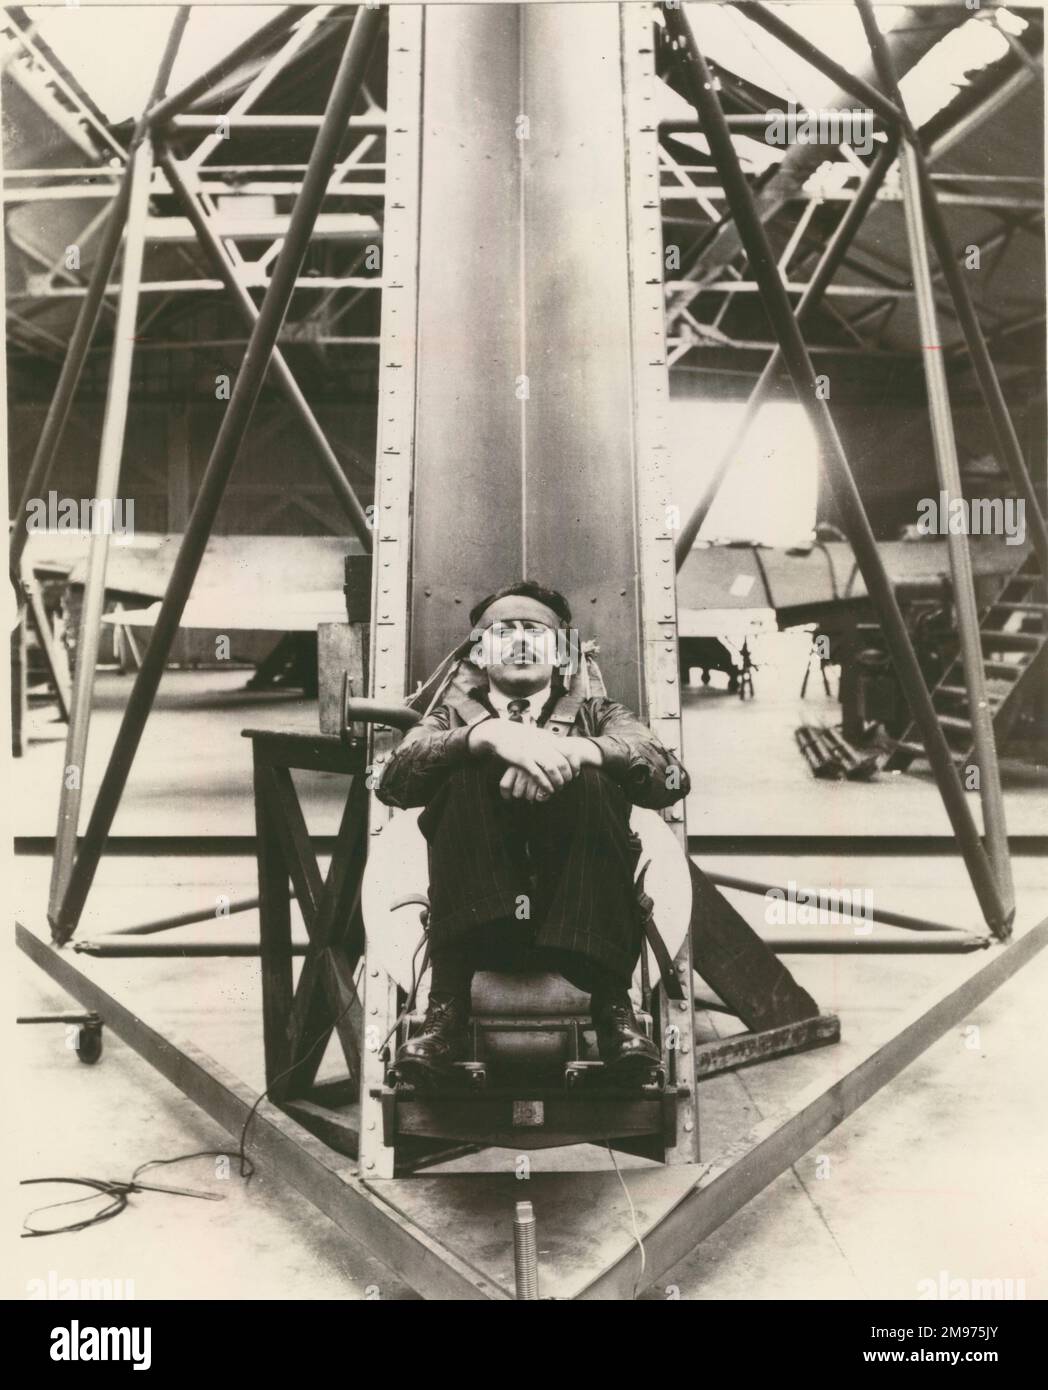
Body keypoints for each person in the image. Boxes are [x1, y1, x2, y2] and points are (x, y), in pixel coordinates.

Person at [375, 580, 691, 1086]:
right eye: (504, 632)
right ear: (479, 652)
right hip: (484, 930)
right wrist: (488, 737)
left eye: (534, 631)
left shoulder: (597, 715)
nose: (520, 642)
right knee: (461, 766)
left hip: (578, 937)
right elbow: (393, 782)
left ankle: (615, 1012)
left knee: (595, 774)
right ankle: (446, 1013)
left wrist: (579, 752)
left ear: (562, 651)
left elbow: (670, 777)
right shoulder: (451, 718)